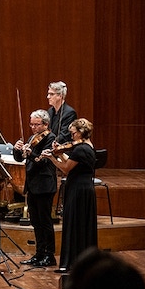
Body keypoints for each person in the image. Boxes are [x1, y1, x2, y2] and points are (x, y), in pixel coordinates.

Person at [43, 117, 97, 273]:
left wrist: (51, 157)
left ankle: (69, 263)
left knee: (73, 223)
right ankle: (80, 262)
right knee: (81, 225)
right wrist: (59, 153)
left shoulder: (80, 149)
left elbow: (66, 168)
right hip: (85, 188)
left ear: (80, 133)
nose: (71, 136)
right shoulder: (87, 146)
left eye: (73, 133)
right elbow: (72, 163)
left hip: (78, 189)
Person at [13, 109, 57, 267]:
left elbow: (44, 162)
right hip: (32, 185)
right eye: (31, 124)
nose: (33, 127)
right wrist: (17, 150)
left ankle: (49, 255)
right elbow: (20, 159)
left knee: (45, 222)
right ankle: (39, 254)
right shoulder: (32, 138)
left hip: (45, 185)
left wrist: (30, 154)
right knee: (36, 222)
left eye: (36, 125)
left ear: (45, 124)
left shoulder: (51, 138)